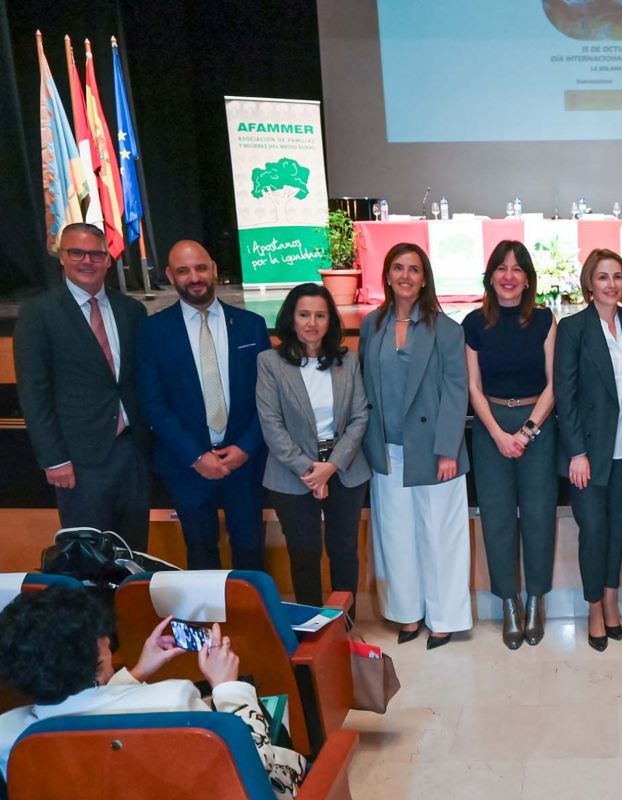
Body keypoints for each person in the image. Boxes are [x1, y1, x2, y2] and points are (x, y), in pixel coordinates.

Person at [0, 587, 306, 797]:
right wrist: (228, 687)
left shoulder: (7, 735)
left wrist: (136, 673)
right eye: (102, 638)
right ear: (95, 650)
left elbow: (84, 713)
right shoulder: (173, 700)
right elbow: (252, 763)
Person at [361, 244, 472, 649]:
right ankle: (408, 614)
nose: (405, 275)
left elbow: (456, 392)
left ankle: (443, 619)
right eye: (397, 268)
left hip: (434, 450)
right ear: (387, 276)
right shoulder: (372, 325)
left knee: (441, 537)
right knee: (396, 535)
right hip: (387, 449)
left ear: (424, 278)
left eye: (414, 269)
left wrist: (448, 449)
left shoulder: (446, 329)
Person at [14, 222, 151, 550]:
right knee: (88, 558)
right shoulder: (39, 314)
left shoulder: (131, 310)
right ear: (62, 257)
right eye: (77, 252)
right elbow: (34, 393)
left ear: (107, 259)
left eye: (96, 254)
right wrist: (54, 458)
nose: (87, 261)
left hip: (132, 453)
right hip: (78, 461)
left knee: (134, 554)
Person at [138, 240, 272, 570]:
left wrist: (246, 448)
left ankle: (251, 620)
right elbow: (153, 404)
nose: (194, 277)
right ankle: (207, 621)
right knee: (199, 551)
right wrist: (196, 457)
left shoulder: (251, 325)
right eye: (183, 271)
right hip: (187, 465)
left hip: (243, 461)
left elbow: (268, 398)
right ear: (170, 275)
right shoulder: (152, 331)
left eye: (200, 268)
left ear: (213, 269)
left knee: (250, 548)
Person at [464, 241, 558, 650]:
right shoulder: (472, 323)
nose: (509, 276)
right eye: (501, 268)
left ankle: (536, 599)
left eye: (518, 269)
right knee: (498, 517)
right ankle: (508, 602)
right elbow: (472, 386)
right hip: (490, 426)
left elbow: (554, 384)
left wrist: (527, 431)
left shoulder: (543, 320)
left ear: (528, 278)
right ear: (490, 276)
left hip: (536, 423)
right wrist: (499, 433)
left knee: (538, 514)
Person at [256, 283, 370, 612]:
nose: (312, 323)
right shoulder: (270, 362)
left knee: (344, 550)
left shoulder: (346, 360)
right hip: (292, 474)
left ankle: (344, 626)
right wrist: (310, 470)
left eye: (320, 315)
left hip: (344, 468)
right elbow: (271, 424)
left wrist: (330, 467)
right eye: (304, 314)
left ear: (330, 321)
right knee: (304, 551)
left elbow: (360, 416)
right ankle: (312, 630)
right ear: (291, 318)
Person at [554, 249, 622, 652]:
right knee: (593, 531)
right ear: (590, 282)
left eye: (618, 276)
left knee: (617, 528)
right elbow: (565, 394)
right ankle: (593, 606)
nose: (612, 284)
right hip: (588, 454)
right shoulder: (573, 328)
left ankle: (611, 597)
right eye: (604, 276)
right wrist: (576, 452)